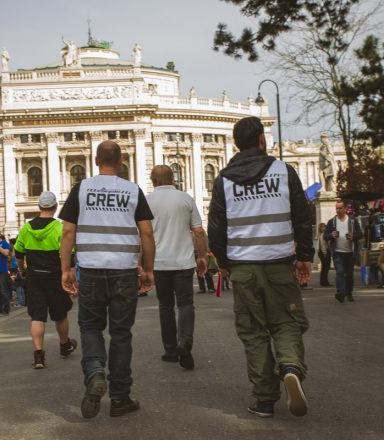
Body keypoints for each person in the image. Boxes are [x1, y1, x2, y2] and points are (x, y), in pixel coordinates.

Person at [208, 117, 314, 418]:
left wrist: (224, 264)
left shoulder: (224, 180)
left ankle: (265, 399)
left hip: (243, 268)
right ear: (261, 140)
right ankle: (291, 366)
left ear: (235, 144)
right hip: (279, 264)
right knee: (287, 322)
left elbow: (216, 228)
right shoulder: (283, 171)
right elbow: (302, 216)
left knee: (253, 332)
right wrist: (305, 256)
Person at [59, 140, 155, 419]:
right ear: (121, 159)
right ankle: (120, 398)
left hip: (90, 270)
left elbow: (67, 232)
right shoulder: (133, 190)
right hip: (124, 271)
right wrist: (148, 269)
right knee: (121, 334)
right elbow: (146, 232)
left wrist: (66, 269)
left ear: (95, 158)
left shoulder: (82, 189)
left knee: (90, 327)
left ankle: (95, 372)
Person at [146, 165, 207, 369]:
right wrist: (203, 256)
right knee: (185, 303)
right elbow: (198, 231)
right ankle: (185, 341)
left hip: (159, 263)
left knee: (165, 306)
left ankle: (171, 349)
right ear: (173, 178)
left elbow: (142, 236)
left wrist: (141, 265)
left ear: (153, 180)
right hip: (183, 262)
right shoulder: (185, 199)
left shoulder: (146, 202)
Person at [14, 191, 77, 369]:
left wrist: (22, 270)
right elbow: (69, 256)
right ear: (55, 207)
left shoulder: (26, 228)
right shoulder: (59, 228)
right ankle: (64, 345)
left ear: (39, 207)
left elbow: (19, 254)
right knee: (60, 313)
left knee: (37, 316)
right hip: (55, 276)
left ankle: (38, 356)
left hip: (34, 276)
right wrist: (70, 275)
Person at [323, 201, 362, 302]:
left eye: (340, 208)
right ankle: (340, 292)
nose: (338, 210)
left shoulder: (352, 221)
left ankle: (348, 292)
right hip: (337, 251)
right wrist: (331, 235)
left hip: (350, 252)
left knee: (349, 274)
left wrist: (353, 236)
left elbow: (360, 234)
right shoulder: (332, 222)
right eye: (337, 208)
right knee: (340, 272)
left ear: (345, 209)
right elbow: (325, 235)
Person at [317, 223, 331, 287]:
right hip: (323, 252)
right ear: (320, 228)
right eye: (323, 227)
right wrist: (325, 253)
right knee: (325, 268)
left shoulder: (322, 235)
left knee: (325, 268)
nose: (324, 228)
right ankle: (324, 282)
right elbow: (323, 246)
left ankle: (324, 281)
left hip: (323, 252)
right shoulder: (322, 235)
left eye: (325, 227)